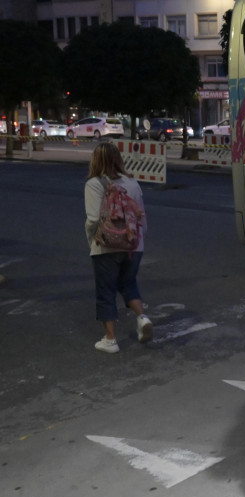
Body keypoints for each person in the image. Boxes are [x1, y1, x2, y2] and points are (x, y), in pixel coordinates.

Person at [84, 141, 153, 353]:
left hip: (107, 246)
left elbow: (94, 219)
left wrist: (91, 239)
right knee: (128, 283)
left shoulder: (94, 184)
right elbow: (142, 216)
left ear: (95, 160)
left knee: (106, 291)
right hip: (134, 244)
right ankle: (142, 317)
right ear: (118, 159)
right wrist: (137, 240)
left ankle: (110, 339)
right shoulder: (133, 183)